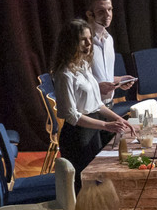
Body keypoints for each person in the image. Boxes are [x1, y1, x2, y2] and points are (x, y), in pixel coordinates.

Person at [51, 19, 133, 192]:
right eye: (83, 39)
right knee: (84, 188)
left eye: (90, 38)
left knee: (98, 184)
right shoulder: (64, 74)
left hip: (93, 131)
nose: (89, 44)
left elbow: (97, 104)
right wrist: (106, 125)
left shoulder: (84, 66)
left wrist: (119, 119)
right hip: (78, 136)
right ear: (70, 42)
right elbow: (72, 115)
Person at [83, 0, 134, 111]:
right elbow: (71, 81)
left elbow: (102, 77)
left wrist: (119, 81)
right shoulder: (82, 43)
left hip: (108, 106)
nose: (108, 15)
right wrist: (97, 88)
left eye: (110, 9)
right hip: (89, 109)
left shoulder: (109, 39)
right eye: (101, 11)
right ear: (89, 14)